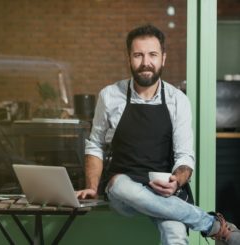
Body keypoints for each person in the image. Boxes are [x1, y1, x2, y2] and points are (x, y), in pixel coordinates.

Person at [76, 24, 240, 245]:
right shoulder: (110, 96)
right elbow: (95, 145)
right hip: (124, 191)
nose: (146, 62)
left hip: (166, 192)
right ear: (129, 59)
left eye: (152, 54)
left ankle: (207, 225)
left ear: (163, 58)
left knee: (175, 234)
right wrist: (92, 187)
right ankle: (214, 226)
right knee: (120, 185)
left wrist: (176, 182)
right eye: (138, 55)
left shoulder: (177, 100)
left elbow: (184, 157)